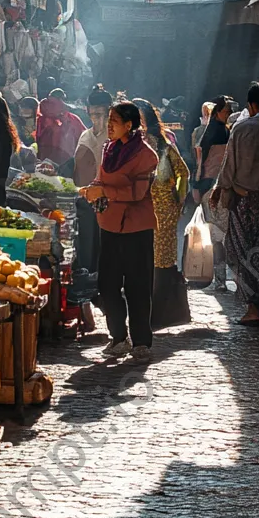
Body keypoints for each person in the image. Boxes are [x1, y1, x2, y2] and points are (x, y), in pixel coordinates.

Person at [79, 102, 159, 363]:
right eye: (109, 119)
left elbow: (138, 193)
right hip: (110, 224)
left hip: (137, 227)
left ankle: (141, 342)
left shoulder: (146, 155)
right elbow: (102, 179)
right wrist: (91, 188)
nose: (109, 125)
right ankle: (118, 336)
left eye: (114, 120)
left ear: (129, 125)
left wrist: (104, 192)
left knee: (137, 285)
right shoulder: (108, 149)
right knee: (107, 285)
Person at [211, 82, 259, 326]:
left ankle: (253, 307)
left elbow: (229, 165)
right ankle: (257, 306)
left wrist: (220, 189)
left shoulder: (241, 128)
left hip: (243, 200)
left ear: (252, 105)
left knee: (239, 251)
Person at [134, 98, 190, 319]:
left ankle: (161, 310)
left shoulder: (164, 145)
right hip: (139, 209)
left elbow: (182, 173)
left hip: (164, 210)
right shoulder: (128, 145)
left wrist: (178, 200)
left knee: (161, 259)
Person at [72, 85, 113, 277]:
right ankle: (87, 279)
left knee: (105, 245)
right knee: (86, 240)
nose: (97, 118)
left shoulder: (115, 137)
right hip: (85, 199)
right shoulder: (85, 135)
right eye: (93, 114)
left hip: (109, 200)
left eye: (101, 114)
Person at [194, 97, 231, 291]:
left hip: (213, 187)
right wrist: (196, 186)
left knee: (218, 234)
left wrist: (196, 186)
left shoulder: (219, 131)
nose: (228, 115)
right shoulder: (219, 132)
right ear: (217, 112)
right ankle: (221, 278)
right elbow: (202, 164)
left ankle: (221, 279)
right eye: (226, 111)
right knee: (219, 234)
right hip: (214, 189)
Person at [36, 88, 86, 167]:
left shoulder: (41, 118)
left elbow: (36, 137)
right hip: (65, 160)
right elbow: (84, 138)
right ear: (62, 100)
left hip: (43, 159)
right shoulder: (71, 118)